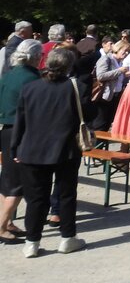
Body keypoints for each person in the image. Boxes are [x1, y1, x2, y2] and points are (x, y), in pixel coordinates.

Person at [10, 47, 94, 257]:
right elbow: (89, 115)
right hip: (66, 149)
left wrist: (15, 147)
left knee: (36, 199)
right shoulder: (77, 87)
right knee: (66, 195)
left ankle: (32, 242)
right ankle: (67, 238)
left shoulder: (30, 88)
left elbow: (20, 120)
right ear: (69, 66)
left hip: (31, 149)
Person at [0, 39, 43, 244]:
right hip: (23, 132)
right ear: (36, 57)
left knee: (7, 180)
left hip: (6, 129)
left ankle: (7, 222)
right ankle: (1, 226)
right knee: (18, 183)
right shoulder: (33, 78)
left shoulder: (8, 75)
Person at [92, 39, 130, 131]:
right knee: (100, 123)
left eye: (128, 51)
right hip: (104, 96)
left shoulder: (120, 62)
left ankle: (102, 139)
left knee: (108, 123)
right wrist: (119, 71)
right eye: (124, 50)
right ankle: (97, 140)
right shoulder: (106, 59)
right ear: (118, 48)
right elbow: (101, 76)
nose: (126, 53)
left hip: (115, 96)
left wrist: (125, 75)